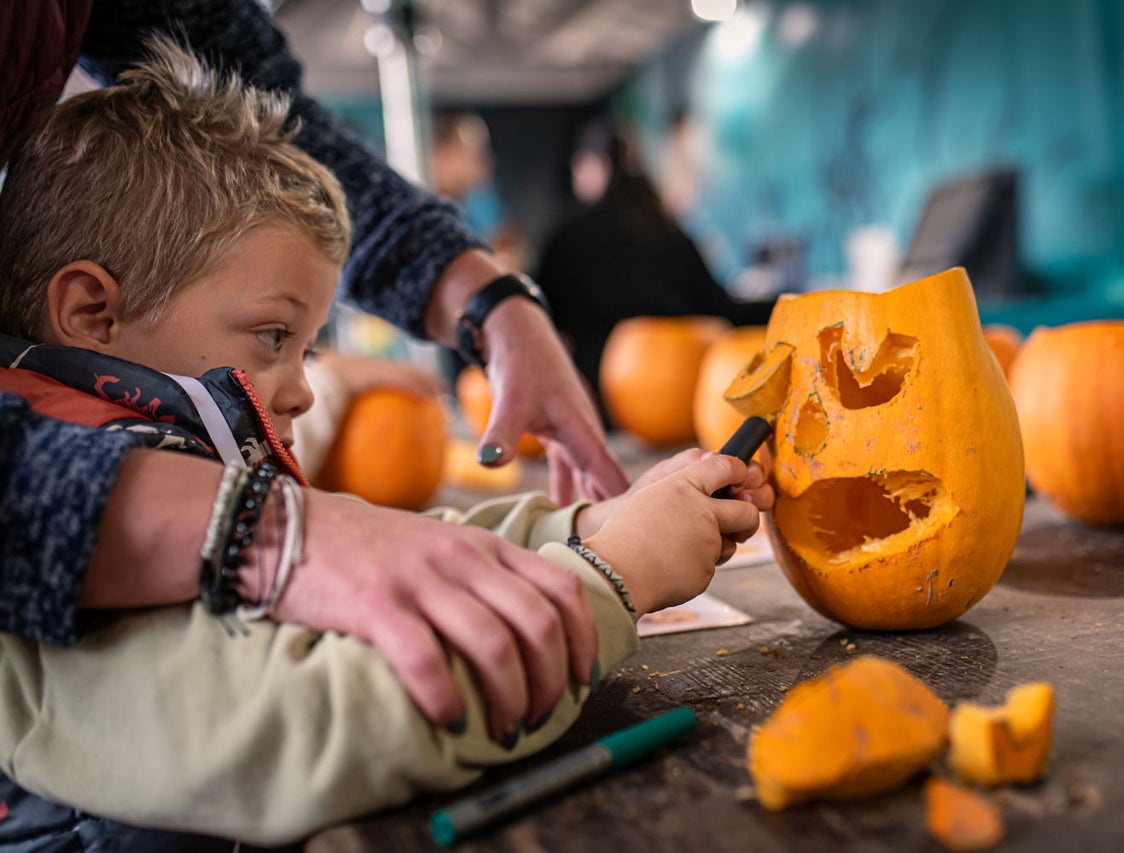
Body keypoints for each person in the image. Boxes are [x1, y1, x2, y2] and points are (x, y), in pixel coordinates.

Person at [0, 39, 772, 848]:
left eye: (307, 347)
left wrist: (579, 530)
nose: (302, 387)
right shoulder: (61, 561)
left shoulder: (156, 452)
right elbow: (349, 719)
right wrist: (616, 577)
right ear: (92, 312)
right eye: (273, 335)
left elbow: (400, 558)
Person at [535, 118, 777, 415]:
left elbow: (543, 320)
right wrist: (782, 307)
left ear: (592, 164)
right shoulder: (669, 231)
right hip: (687, 389)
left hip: (602, 397)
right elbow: (718, 306)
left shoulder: (567, 236)